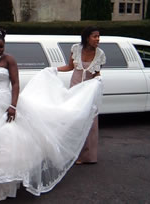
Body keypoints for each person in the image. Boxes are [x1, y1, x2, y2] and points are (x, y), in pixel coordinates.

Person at [0, 25, 103, 201]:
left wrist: (13, 106)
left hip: (5, 104)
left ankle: (6, 184)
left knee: (8, 142)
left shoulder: (9, 60)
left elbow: (15, 84)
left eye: (1, 46)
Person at [57, 26, 106, 164]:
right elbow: (69, 67)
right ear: (86, 37)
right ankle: (72, 154)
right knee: (73, 121)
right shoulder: (76, 49)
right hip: (75, 89)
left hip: (89, 93)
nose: (98, 39)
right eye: (95, 36)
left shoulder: (100, 54)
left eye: (98, 36)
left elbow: (97, 73)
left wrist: (98, 80)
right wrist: (54, 69)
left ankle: (88, 156)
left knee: (90, 122)